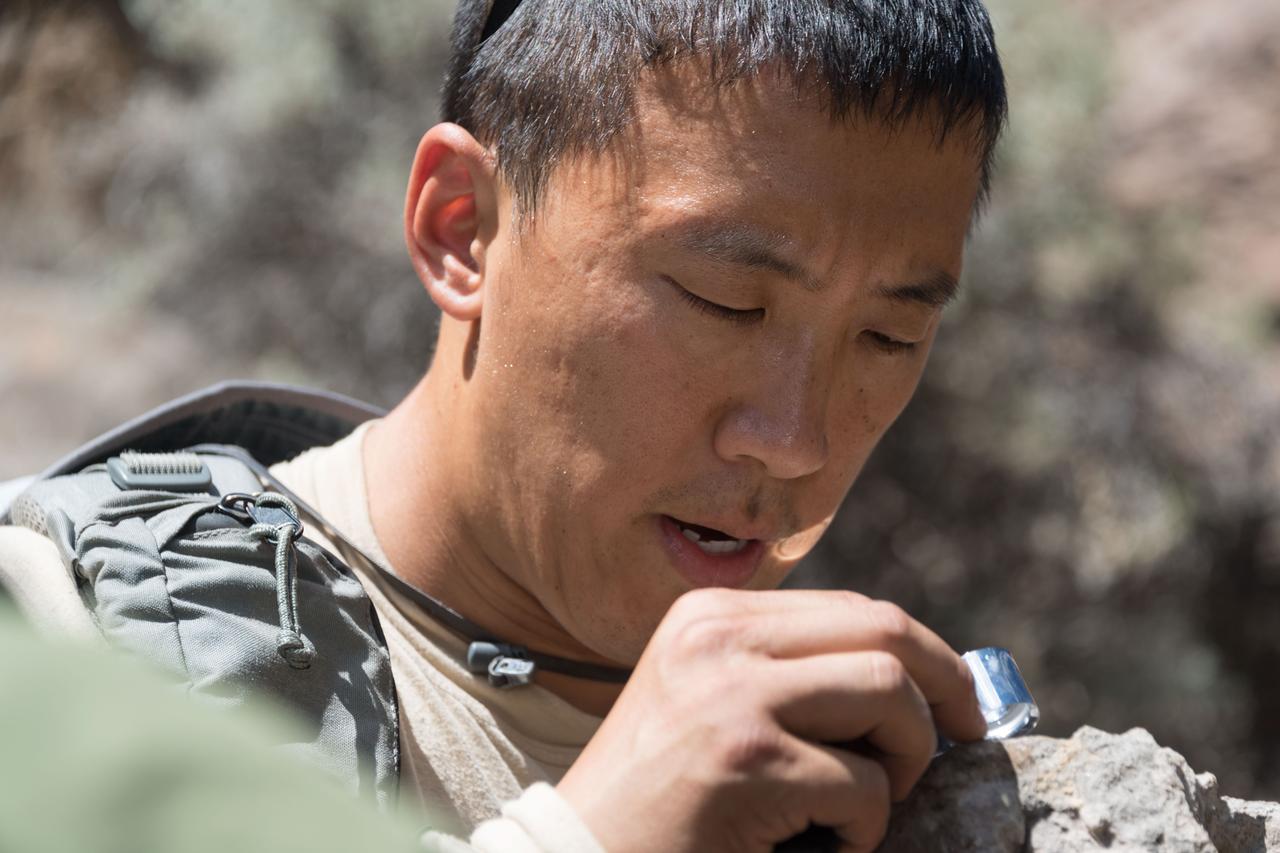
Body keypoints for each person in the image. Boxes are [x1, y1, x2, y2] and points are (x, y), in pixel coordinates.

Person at [0, 0, 1008, 850]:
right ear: (464, 228)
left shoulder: (873, 758)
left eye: (885, 336)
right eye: (724, 301)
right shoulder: (63, 632)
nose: (792, 436)